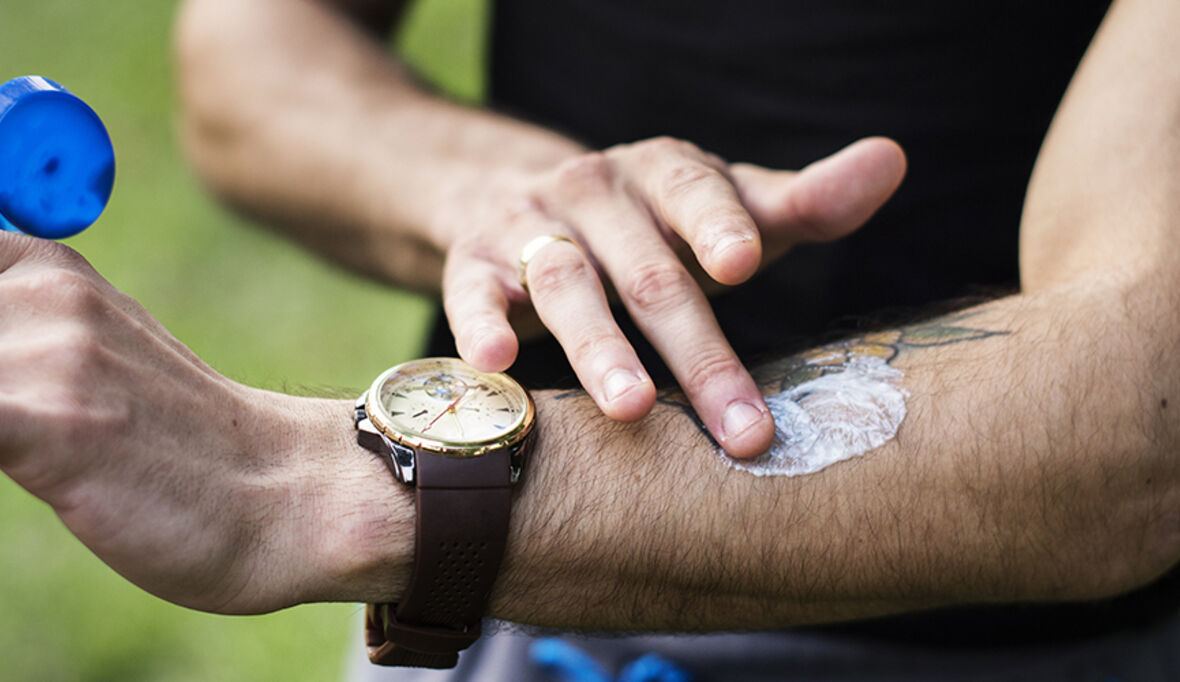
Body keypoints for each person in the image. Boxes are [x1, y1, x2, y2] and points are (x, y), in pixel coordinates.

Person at [0, 0, 1174, 679]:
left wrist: (309, 488)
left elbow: (1138, 420)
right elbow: (252, 58)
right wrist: (523, 197)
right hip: (497, 621)